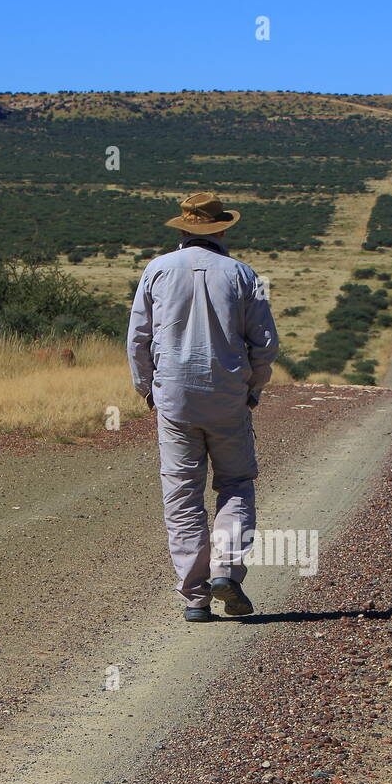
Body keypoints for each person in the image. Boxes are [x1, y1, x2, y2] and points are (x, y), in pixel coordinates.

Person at [127, 192, 279, 622]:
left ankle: (194, 597)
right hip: (228, 395)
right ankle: (226, 571)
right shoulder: (244, 275)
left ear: (181, 228)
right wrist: (253, 388)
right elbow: (265, 344)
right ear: (222, 229)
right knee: (235, 482)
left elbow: (138, 340)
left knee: (182, 494)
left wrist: (148, 391)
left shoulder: (155, 271)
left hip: (174, 396)